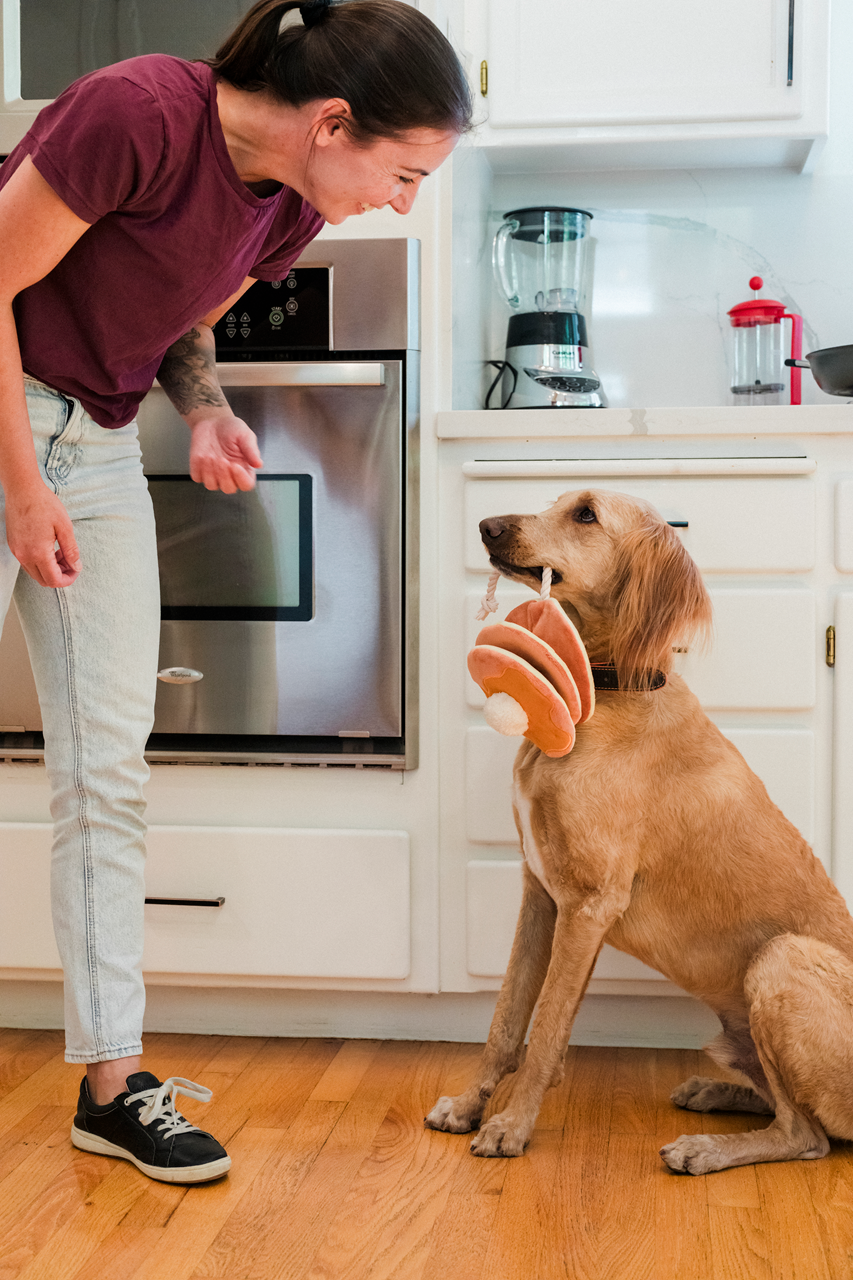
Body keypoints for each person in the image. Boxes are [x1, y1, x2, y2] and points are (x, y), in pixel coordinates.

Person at [0, 0, 470, 1184]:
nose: (404, 200)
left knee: (107, 764)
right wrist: (20, 491)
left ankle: (112, 1084)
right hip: (11, 416)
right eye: (405, 171)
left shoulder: (291, 202)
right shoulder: (139, 117)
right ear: (331, 120)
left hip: (95, 444)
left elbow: (180, 329)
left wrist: (205, 409)